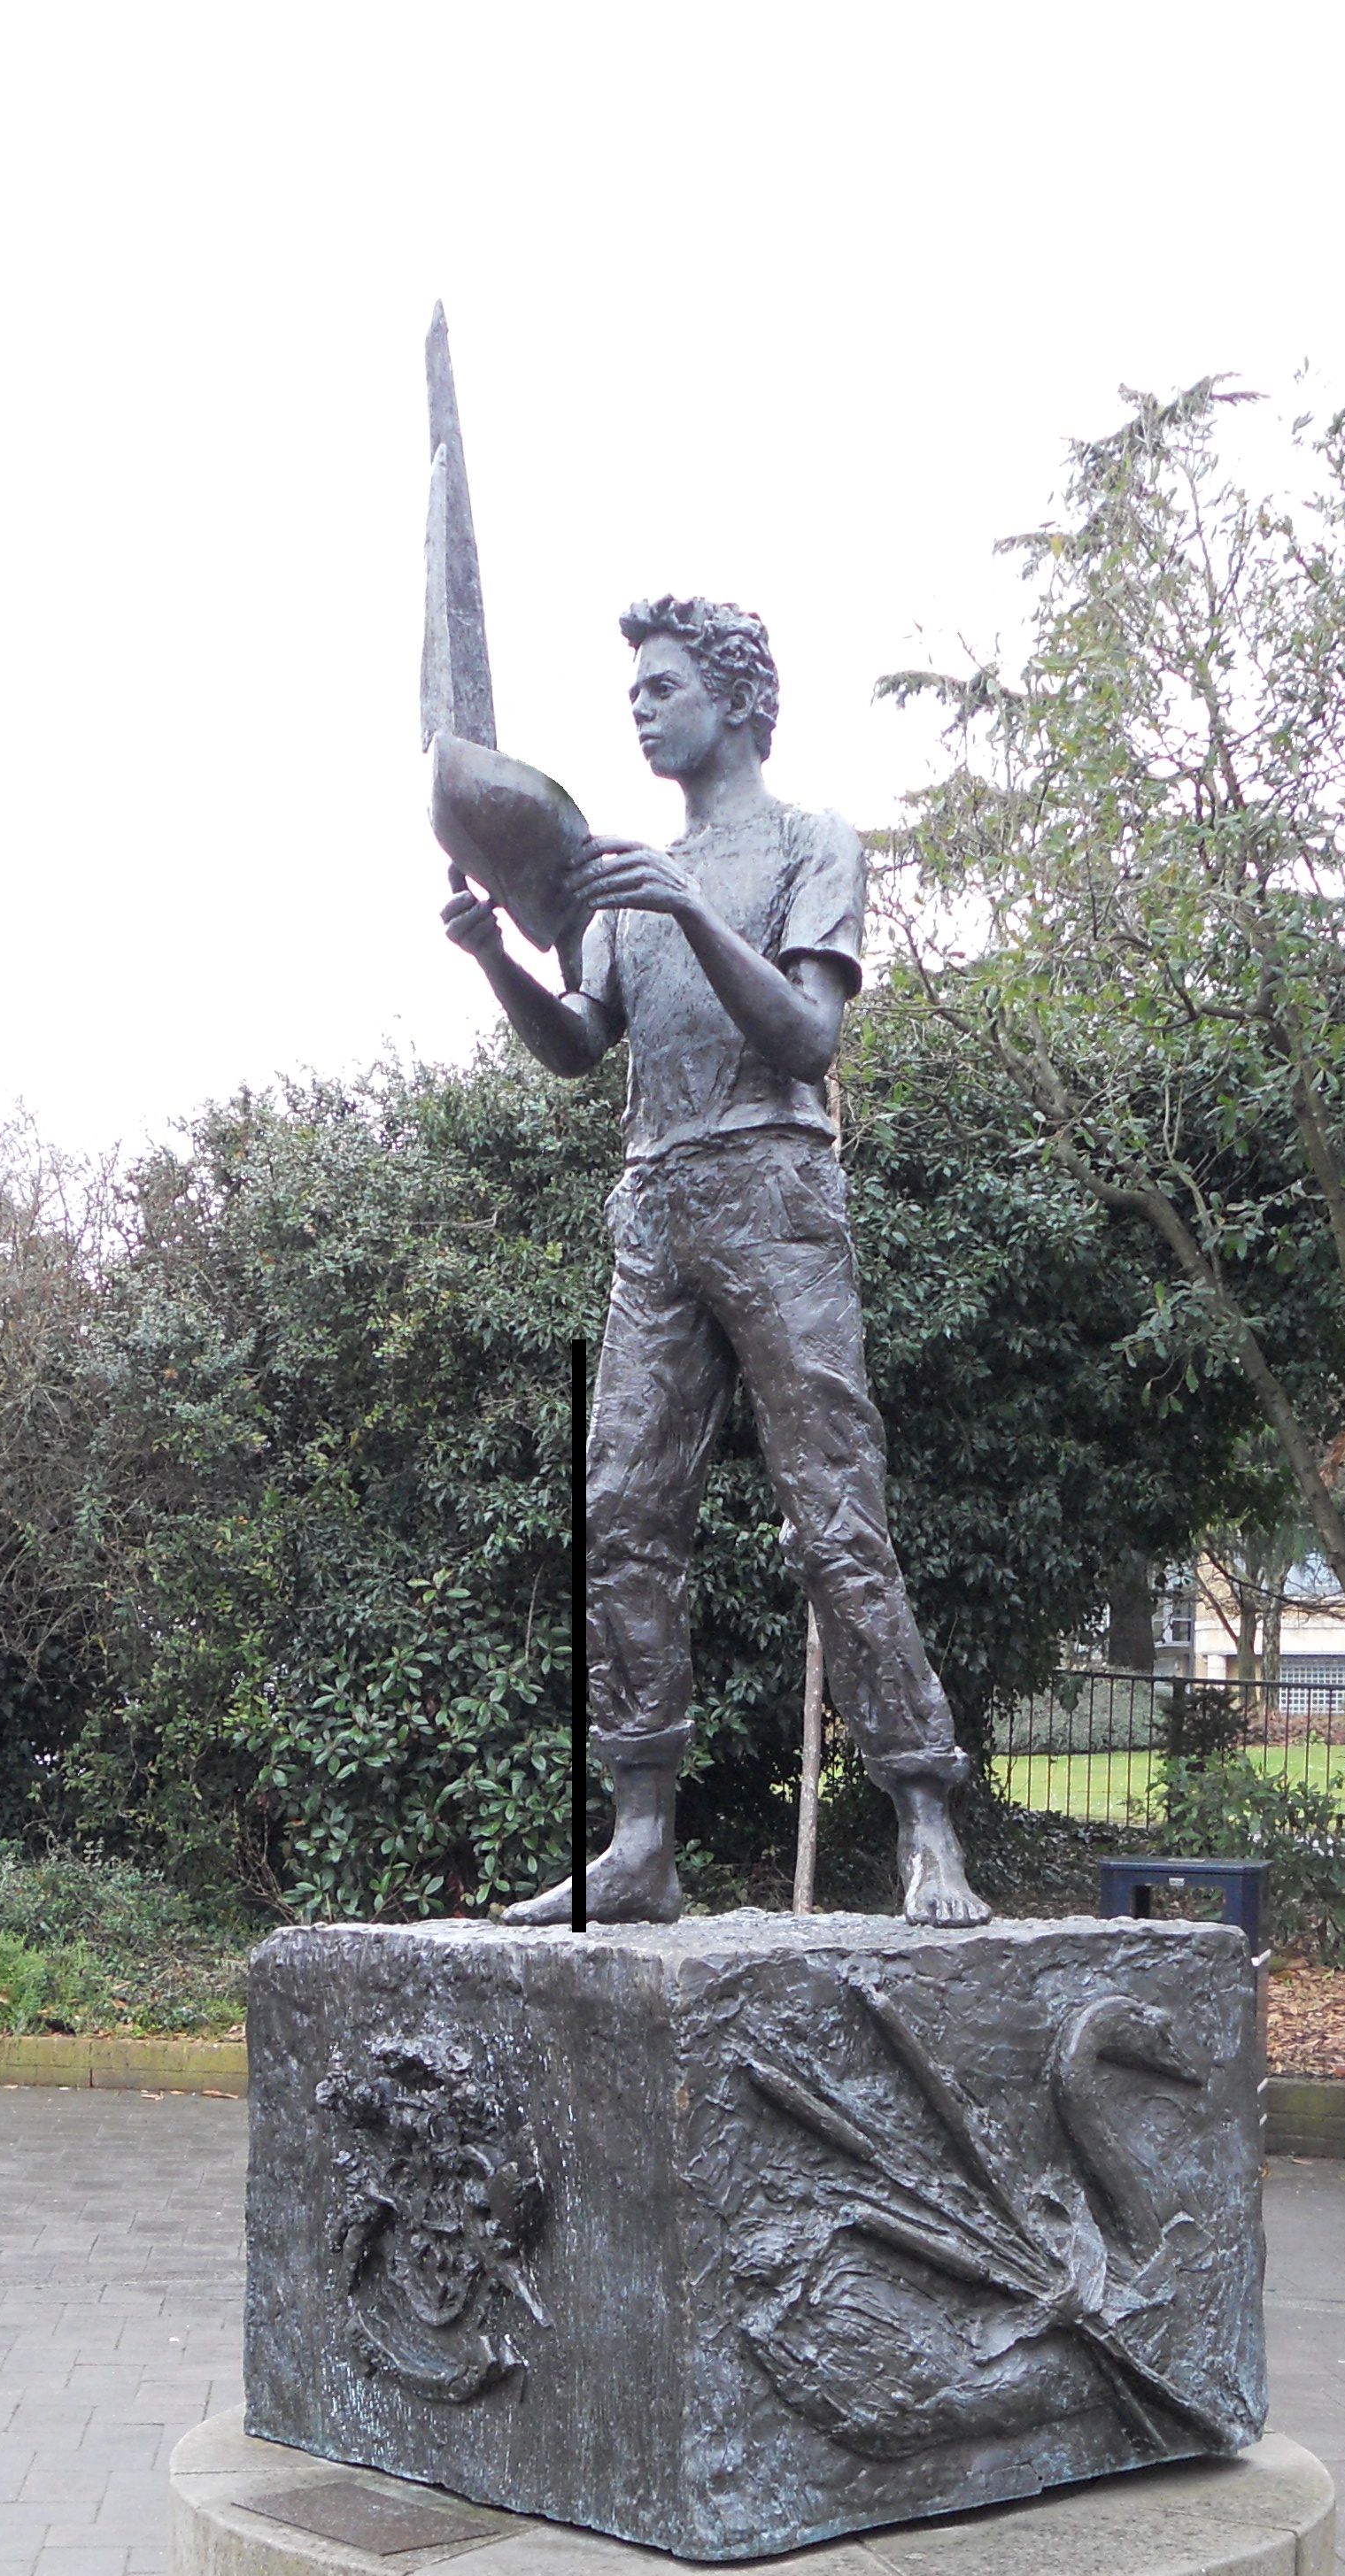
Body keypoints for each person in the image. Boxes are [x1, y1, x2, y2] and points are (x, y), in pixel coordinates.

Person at [444, 591, 987, 1927]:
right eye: (632, 690)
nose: (641, 706)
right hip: (654, 1202)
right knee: (621, 1510)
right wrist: (498, 963)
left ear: (737, 701)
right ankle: (640, 1842)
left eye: (665, 685)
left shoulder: (808, 844)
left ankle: (926, 1821)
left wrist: (686, 908)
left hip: (776, 1185)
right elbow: (581, 1047)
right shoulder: (625, 881)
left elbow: (809, 1038)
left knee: (835, 1511)